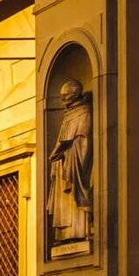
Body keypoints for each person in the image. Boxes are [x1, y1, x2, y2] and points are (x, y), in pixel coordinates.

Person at [47, 79, 92, 245]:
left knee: (74, 196)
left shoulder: (84, 112)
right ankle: (64, 235)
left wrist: (65, 151)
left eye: (65, 95)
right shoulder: (69, 114)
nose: (62, 99)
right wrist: (58, 153)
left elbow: (83, 139)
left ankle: (79, 231)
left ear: (74, 93)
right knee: (63, 201)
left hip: (74, 161)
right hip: (63, 163)